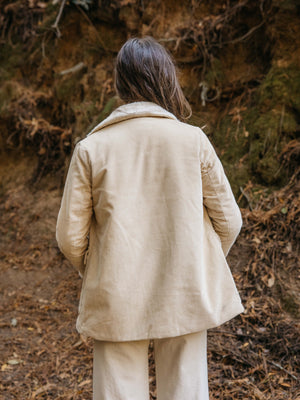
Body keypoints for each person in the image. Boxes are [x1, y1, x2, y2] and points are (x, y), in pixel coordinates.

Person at [56, 36, 244, 400]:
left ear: (120, 83)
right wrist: (197, 259)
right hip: (185, 286)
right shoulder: (192, 141)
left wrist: (98, 266)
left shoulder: (91, 149)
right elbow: (230, 220)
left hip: (116, 291)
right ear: (165, 78)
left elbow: (69, 238)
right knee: (186, 390)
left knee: (118, 392)